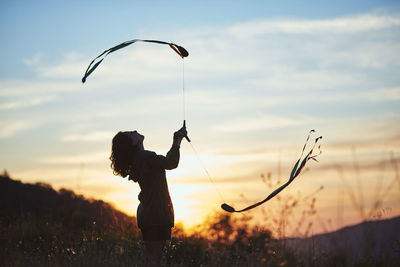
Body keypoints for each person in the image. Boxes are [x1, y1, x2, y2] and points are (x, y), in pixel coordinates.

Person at [110, 126, 187, 267]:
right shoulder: (146, 157)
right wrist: (176, 142)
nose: (133, 130)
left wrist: (177, 141)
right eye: (130, 134)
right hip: (157, 213)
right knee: (154, 260)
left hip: (148, 213)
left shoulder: (138, 160)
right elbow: (171, 163)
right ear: (133, 143)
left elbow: (167, 161)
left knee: (152, 259)